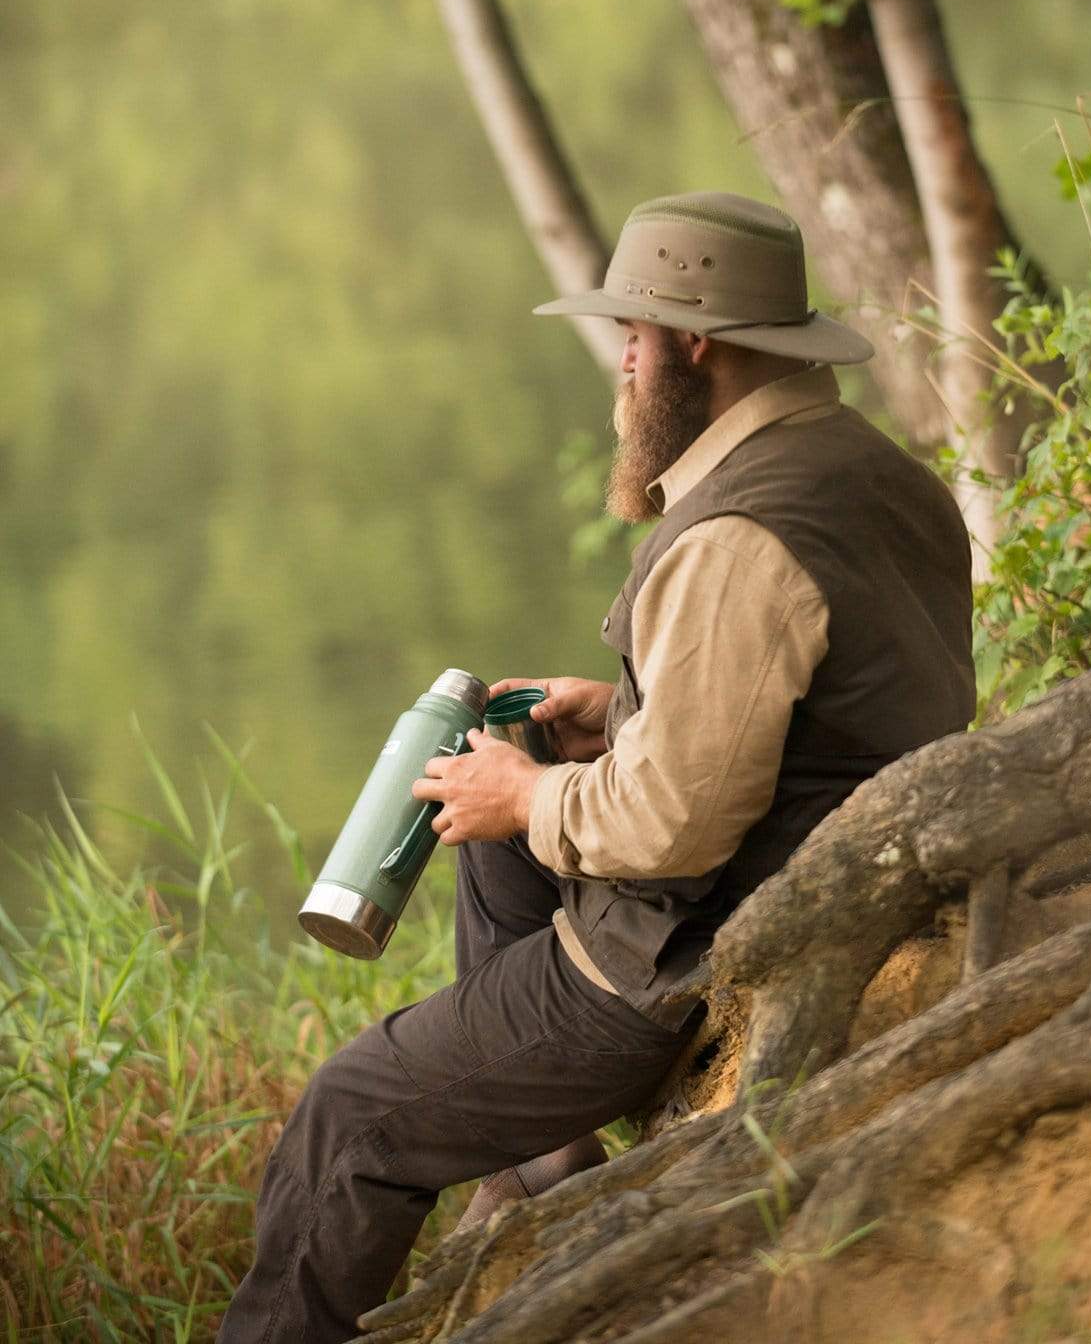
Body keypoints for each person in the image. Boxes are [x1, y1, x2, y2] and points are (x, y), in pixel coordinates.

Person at [219, 191, 975, 1342]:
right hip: (843, 875)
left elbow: (672, 829)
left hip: (695, 951)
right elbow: (816, 715)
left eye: (632, 334)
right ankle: (544, 1166)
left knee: (351, 1116)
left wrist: (528, 795)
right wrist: (613, 715)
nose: (620, 363)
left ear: (694, 343)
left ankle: (508, 1155)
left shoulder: (737, 535)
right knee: (500, 846)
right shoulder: (861, 467)